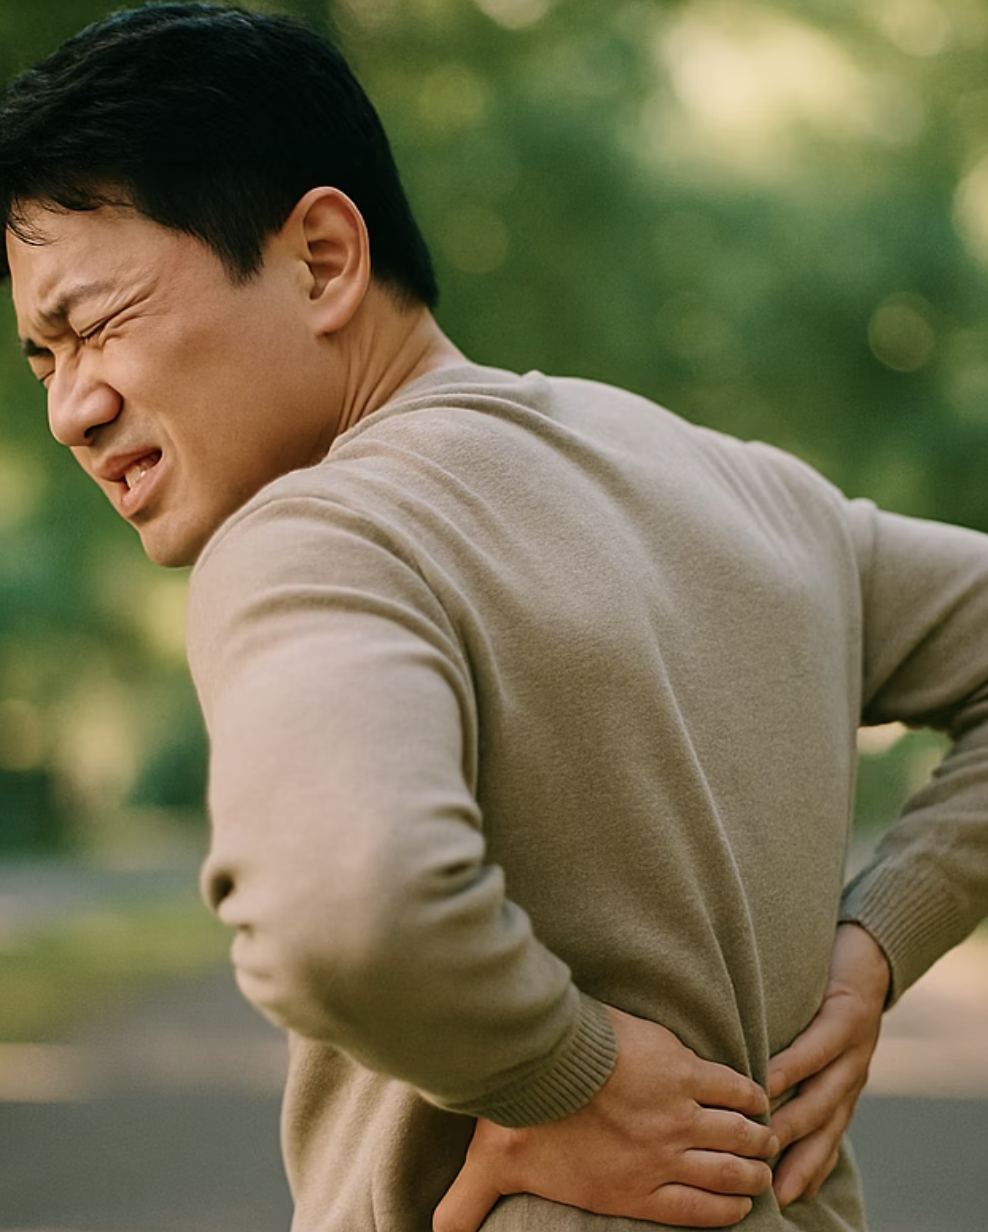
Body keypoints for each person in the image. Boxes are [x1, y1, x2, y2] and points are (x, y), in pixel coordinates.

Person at [2, 5, 987, 1230]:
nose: (70, 410)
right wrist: (877, 946)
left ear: (321, 257)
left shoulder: (320, 532)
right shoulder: (745, 488)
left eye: (95, 323)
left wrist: (565, 1076)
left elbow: (350, 908)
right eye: (40, 359)